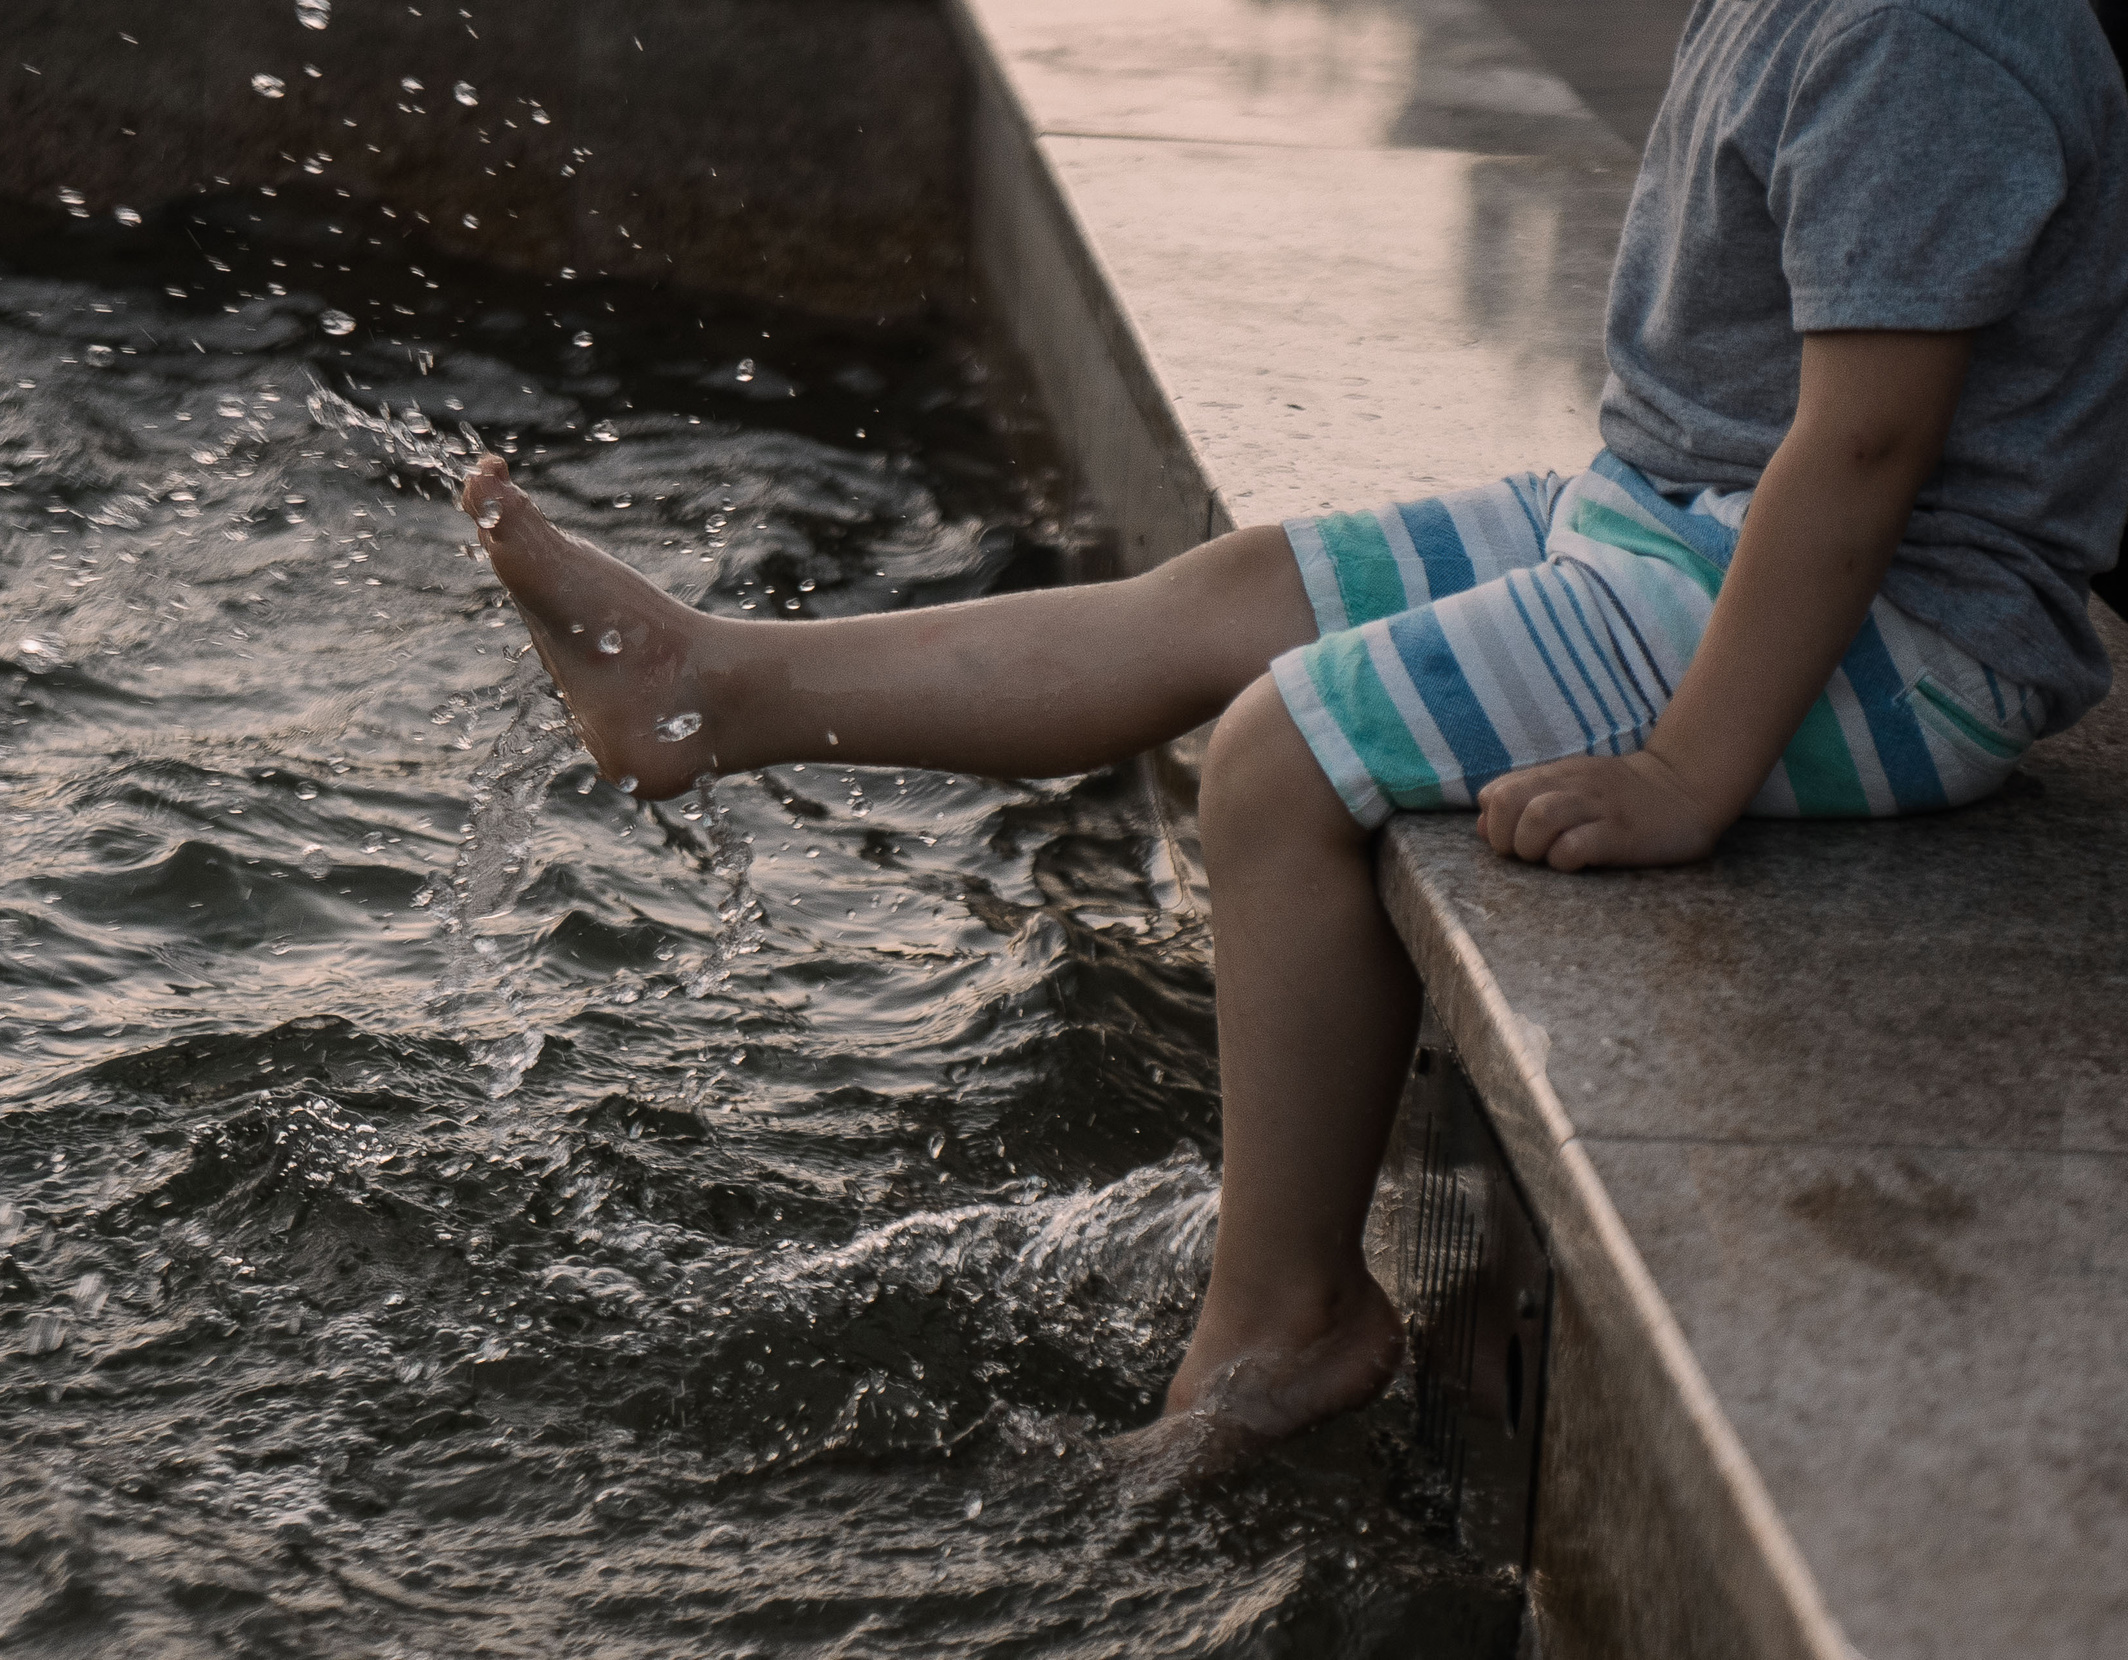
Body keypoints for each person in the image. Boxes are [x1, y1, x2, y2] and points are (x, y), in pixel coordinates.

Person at [455, 0, 2128, 1478]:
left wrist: (1693, 767)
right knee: (1233, 592)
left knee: (1284, 752)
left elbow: (1866, 446)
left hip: (1901, 637)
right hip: (1675, 524)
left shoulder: (1933, 30)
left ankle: (1289, 1314)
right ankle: (705, 690)